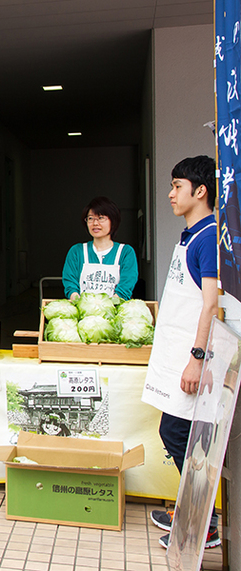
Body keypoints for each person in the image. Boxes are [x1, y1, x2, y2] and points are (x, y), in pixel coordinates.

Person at [140, 156, 220, 550]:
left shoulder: (208, 237)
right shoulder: (191, 234)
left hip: (193, 359)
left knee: (179, 435)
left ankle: (204, 524)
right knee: (180, 436)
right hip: (177, 354)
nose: (170, 194)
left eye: (176, 186)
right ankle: (192, 512)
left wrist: (197, 357)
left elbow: (210, 304)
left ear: (199, 191)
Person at [62, 196, 138, 300]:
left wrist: (109, 306)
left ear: (113, 221)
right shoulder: (76, 251)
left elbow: (127, 284)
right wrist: (79, 302)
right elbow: (70, 283)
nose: (95, 223)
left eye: (101, 218)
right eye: (90, 218)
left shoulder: (125, 252)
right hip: (83, 314)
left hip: (115, 312)